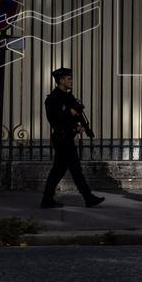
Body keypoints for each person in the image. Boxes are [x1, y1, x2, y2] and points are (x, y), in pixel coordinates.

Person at [40, 68, 105, 208]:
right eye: (68, 79)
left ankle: (47, 199)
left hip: (67, 137)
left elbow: (72, 118)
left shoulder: (69, 97)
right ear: (61, 80)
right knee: (75, 169)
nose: (71, 81)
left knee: (58, 170)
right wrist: (70, 112)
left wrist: (78, 127)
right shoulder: (52, 98)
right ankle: (88, 198)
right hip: (61, 139)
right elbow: (54, 118)